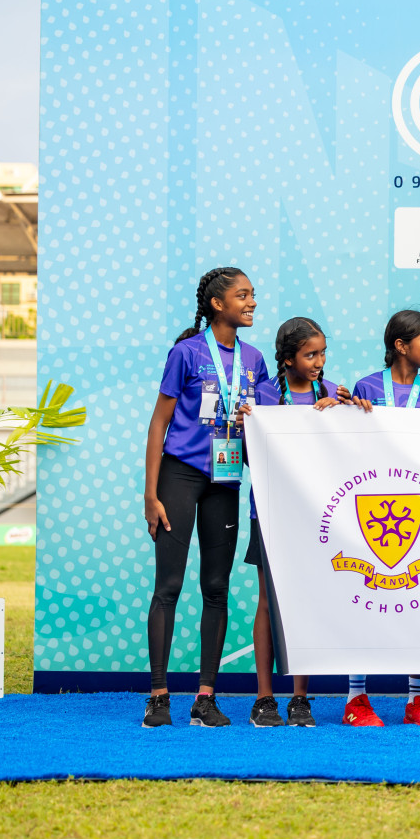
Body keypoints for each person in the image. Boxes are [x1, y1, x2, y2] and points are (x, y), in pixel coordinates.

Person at [142, 266, 269, 728]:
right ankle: (158, 695)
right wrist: (150, 493)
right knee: (168, 587)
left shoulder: (255, 360)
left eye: (253, 294)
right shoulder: (186, 353)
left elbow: (270, 422)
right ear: (218, 304)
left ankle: (205, 698)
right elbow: (159, 424)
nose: (252, 302)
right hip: (180, 475)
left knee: (216, 588)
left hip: (226, 481)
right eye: (243, 295)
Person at [345, 310, 420, 727]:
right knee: (366, 602)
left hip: (419, 508)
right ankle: (356, 699)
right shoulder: (366, 387)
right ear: (400, 345)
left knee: (418, 603)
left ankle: (417, 700)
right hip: (370, 509)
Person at [245, 316, 359, 727]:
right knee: (267, 601)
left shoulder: (330, 393)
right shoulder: (263, 396)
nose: (319, 361)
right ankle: (263, 699)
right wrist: (251, 422)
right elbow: (249, 456)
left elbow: (346, 456)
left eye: (323, 352)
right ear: (287, 358)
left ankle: (299, 699)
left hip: (317, 515)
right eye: (310, 354)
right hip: (271, 512)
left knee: (303, 600)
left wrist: (345, 414)